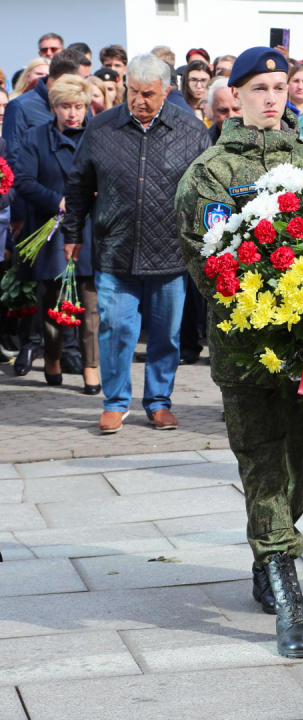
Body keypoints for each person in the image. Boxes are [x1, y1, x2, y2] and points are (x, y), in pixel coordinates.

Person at [176, 47, 303, 660]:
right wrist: (265, 294)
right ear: (235, 95)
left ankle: (271, 546)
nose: (271, 97)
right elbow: (203, 258)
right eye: (258, 87)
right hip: (245, 346)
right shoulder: (210, 172)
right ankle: (286, 584)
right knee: (260, 461)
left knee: (299, 458)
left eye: (280, 86)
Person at [62, 53, 211, 434]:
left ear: (166, 92)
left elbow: (205, 190)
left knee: (166, 334)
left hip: (170, 253)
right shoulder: (101, 127)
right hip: (116, 248)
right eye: (133, 92)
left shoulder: (190, 129)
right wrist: (73, 234)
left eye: (148, 93)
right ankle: (115, 402)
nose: (138, 101)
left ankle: (159, 402)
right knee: (115, 329)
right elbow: (78, 185)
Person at [13, 75, 99, 393]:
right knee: (53, 301)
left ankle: (91, 366)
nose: (72, 113)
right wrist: (57, 200)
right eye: (65, 106)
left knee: (90, 302)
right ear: (54, 107)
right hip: (51, 231)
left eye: (78, 106)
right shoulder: (36, 137)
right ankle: (53, 358)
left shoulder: (95, 134)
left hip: (88, 228)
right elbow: (23, 180)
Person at [181, 60, 213, 126]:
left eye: (204, 80)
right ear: (186, 82)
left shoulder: (215, 108)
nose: (199, 86)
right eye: (193, 80)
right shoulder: (180, 107)